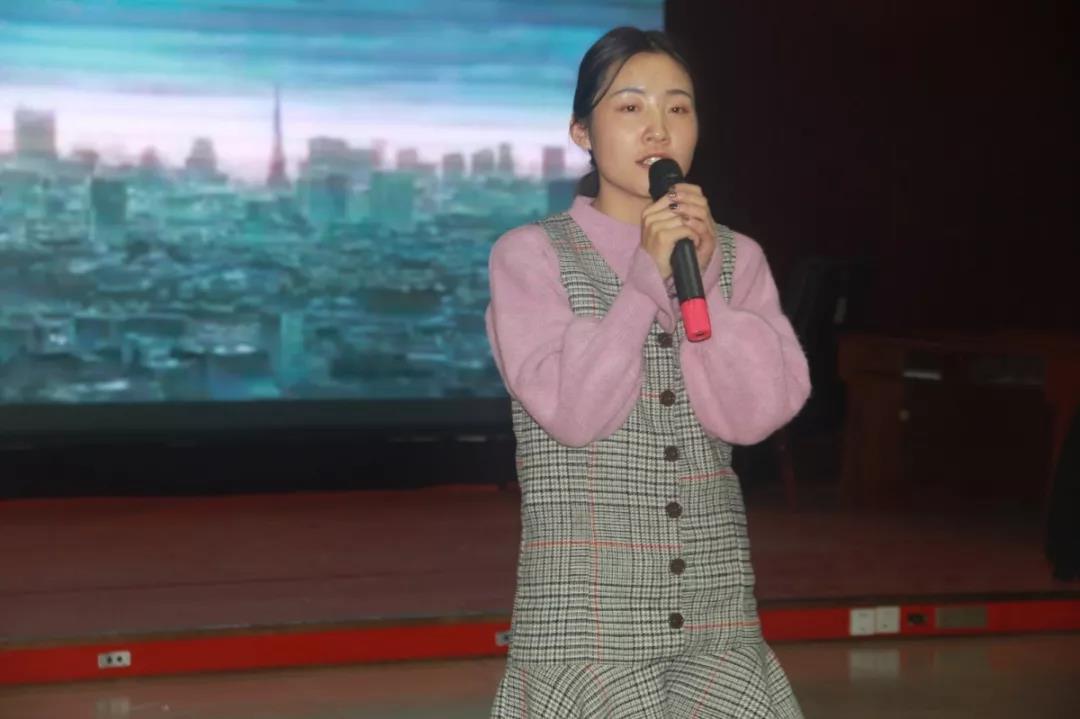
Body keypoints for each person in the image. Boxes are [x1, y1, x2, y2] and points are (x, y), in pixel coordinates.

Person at [484, 26, 811, 718]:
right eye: (630, 106)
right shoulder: (530, 255)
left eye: (679, 108)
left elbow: (753, 416)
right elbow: (573, 414)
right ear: (582, 130)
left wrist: (707, 278)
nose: (658, 128)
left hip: (718, 615)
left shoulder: (738, 257)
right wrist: (641, 283)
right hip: (585, 620)